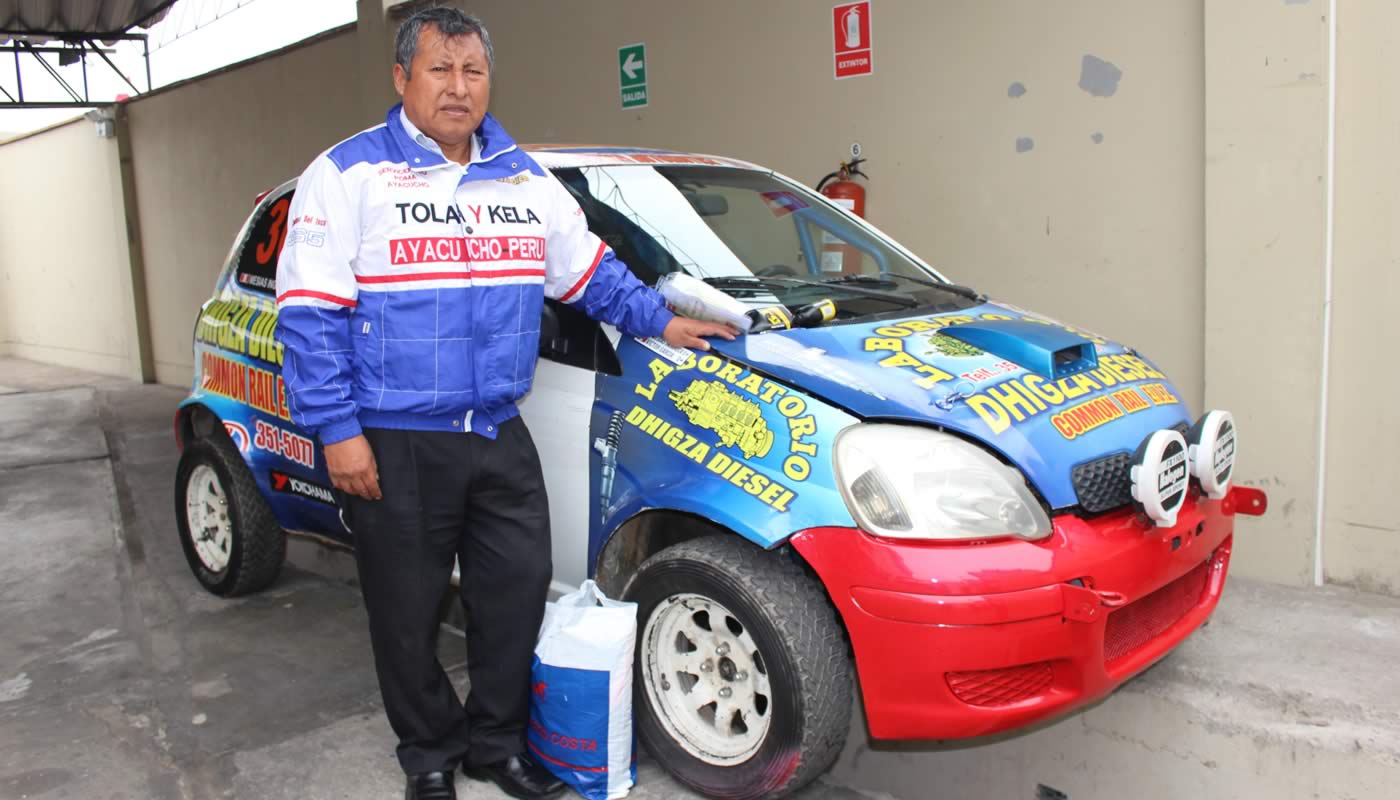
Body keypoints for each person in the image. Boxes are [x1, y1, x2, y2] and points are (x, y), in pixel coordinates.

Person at [273, 8, 735, 800]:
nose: (458, 88)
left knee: (513, 597)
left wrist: (662, 319)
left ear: (489, 80)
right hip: (396, 437)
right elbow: (310, 319)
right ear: (401, 79)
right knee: (406, 613)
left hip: (496, 430)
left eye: (472, 72)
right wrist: (338, 432)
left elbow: (589, 272)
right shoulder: (347, 175)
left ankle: (495, 745)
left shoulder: (523, 179)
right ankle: (426, 756)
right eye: (439, 71)